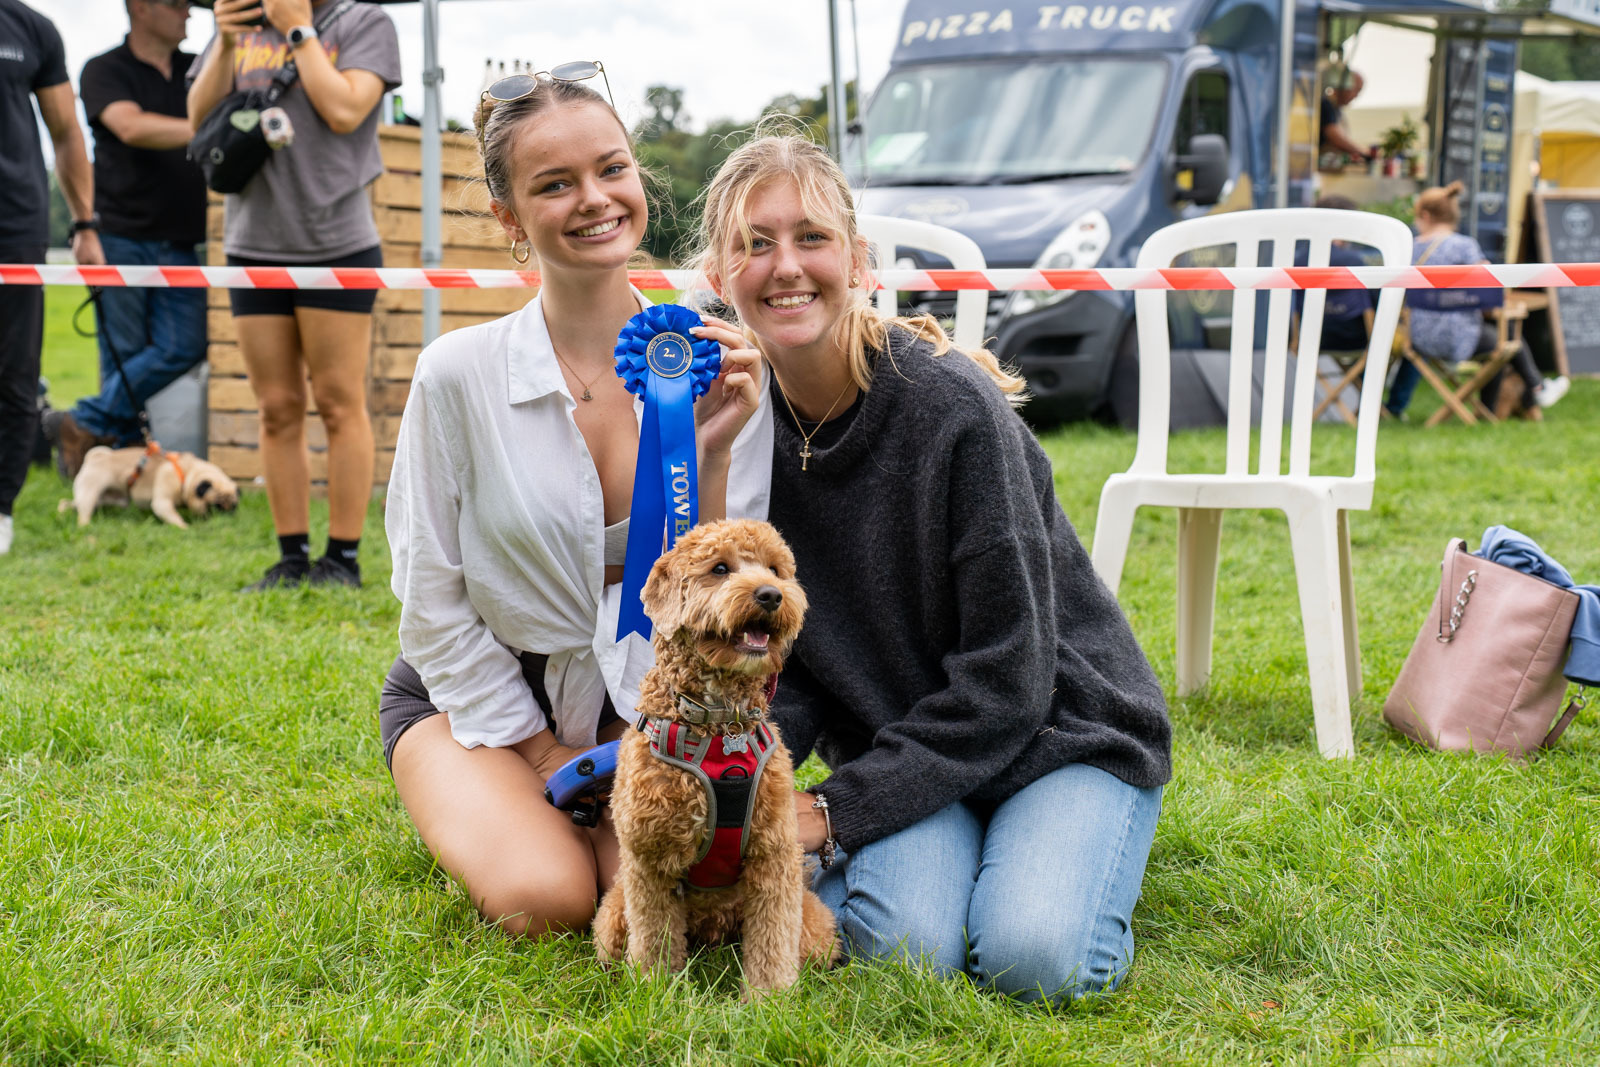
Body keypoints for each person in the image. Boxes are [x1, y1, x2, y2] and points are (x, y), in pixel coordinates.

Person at [689, 133, 1172, 1005]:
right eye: (755, 244)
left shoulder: (953, 410)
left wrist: (832, 812)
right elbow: (786, 663)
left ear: (857, 261)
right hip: (910, 744)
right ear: (720, 277)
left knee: (1032, 958)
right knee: (903, 948)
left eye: (811, 237)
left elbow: (1009, 681)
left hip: (1057, 733)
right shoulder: (739, 427)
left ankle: (1055, 847)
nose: (785, 265)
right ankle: (970, 852)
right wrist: (735, 793)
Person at [381, 71, 772, 937]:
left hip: (650, 704)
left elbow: (731, 590)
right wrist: (543, 751)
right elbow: (430, 595)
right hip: (477, 699)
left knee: (671, 902)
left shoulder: (720, 365)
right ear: (510, 218)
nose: (595, 199)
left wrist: (712, 451)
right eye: (555, 184)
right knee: (547, 897)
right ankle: (498, 802)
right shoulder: (456, 375)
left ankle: (579, 820)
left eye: (611, 169)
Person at [187, 0, 401, 589]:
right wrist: (224, 42)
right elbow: (198, 121)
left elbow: (345, 110)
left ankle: (343, 559)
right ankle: (290, 558)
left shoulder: (364, 22)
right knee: (276, 407)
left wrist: (297, 28)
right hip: (252, 245)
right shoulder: (240, 25)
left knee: (337, 401)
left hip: (337, 244)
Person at [48, 0, 209, 480]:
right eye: (177, 3)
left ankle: (83, 422)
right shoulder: (104, 69)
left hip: (182, 240)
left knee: (186, 344)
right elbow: (130, 126)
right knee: (122, 349)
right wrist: (207, 130)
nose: (188, 13)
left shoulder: (198, 69)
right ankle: (116, 470)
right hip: (119, 235)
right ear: (140, 7)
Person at [0, 0, 104, 556]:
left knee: (15, 377)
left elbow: (65, 132)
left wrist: (84, 224)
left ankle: (1, 508)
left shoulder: (31, 28)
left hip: (14, 225)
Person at [1386, 181, 1569, 420]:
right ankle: (1523, 393)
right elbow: (1489, 291)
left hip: (1417, 335)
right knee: (1506, 337)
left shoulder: (1409, 248)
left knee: (1498, 335)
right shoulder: (1464, 246)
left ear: (1425, 215)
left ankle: (1395, 407)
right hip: (1458, 337)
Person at [1319, 69, 1373, 167]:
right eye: (1356, 90)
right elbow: (1336, 138)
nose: (1356, 96)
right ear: (1344, 85)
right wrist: (1365, 153)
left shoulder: (1337, 110)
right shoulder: (1326, 105)